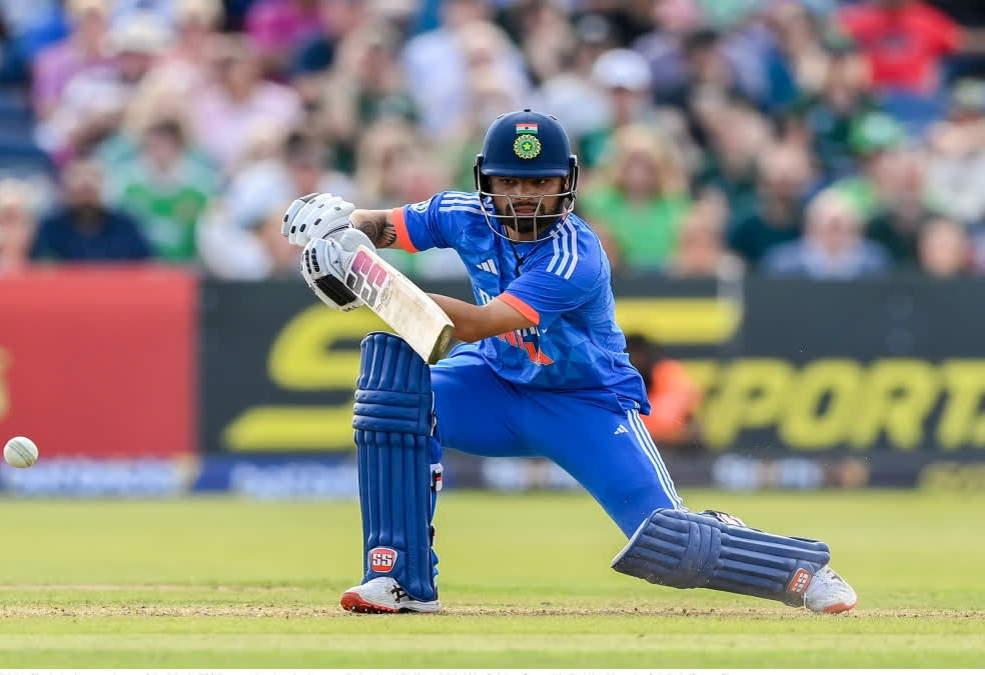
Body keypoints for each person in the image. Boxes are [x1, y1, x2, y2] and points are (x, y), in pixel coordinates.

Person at [280, 110, 858, 615]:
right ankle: (400, 578)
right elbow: (383, 225)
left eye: (540, 183)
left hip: (586, 403)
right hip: (496, 382)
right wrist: (340, 225)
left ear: (567, 183)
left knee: (668, 542)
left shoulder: (574, 255)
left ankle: (793, 566)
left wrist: (365, 277)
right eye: (509, 182)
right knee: (395, 398)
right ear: (487, 181)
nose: (524, 197)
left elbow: (470, 325)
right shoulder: (460, 213)